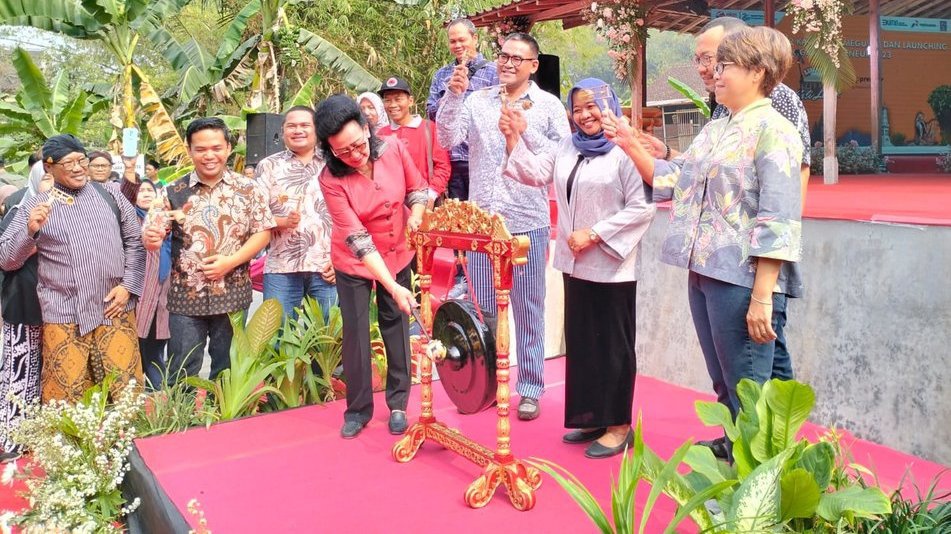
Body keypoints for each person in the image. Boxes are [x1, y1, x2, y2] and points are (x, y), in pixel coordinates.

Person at [605, 27, 803, 458]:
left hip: (743, 280)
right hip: (705, 270)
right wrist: (627, 143)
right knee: (726, 383)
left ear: (757, 71)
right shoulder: (718, 128)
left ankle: (753, 495)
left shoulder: (776, 130)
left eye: (725, 65)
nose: (714, 74)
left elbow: (779, 219)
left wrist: (763, 297)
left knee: (750, 389)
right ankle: (739, 465)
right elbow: (674, 181)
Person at [502, 78, 655, 458]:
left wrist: (596, 234)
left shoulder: (626, 149)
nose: (585, 115)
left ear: (609, 105)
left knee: (614, 347)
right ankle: (593, 416)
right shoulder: (568, 145)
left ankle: (619, 426)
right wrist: (513, 138)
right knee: (585, 344)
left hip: (611, 265)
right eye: (578, 108)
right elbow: (536, 173)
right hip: (574, 263)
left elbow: (643, 207)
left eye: (593, 106)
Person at [436, 32, 571, 421]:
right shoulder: (477, 100)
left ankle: (529, 388)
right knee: (484, 311)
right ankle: (491, 386)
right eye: (503, 56)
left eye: (517, 57)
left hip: (525, 225)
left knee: (527, 309)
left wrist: (522, 132)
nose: (507, 63)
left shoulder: (547, 106)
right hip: (482, 227)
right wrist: (453, 96)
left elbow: (561, 157)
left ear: (533, 65)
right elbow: (447, 137)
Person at [0, 134, 146, 402]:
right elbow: (7, 259)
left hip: (113, 307)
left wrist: (127, 287)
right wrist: (30, 231)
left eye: (82, 160)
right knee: (65, 396)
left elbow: (135, 242)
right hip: (63, 312)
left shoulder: (110, 194)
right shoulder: (35, 205)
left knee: (124, 391)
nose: (79, 168)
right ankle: (68, 444)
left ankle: (126, 442)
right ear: (49, 167)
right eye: (69, 164)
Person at [314, 95, 425, 440]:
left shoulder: (394, 148)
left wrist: (417, 218)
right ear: (330, 151)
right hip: (355, 261)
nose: (354, 155)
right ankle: (358, 409)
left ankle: (398, 404)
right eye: (342, 152)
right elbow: (358, 240)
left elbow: (417, 190)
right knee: (357, 333)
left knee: (396, 325)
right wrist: (392, 285)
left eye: (357, 144)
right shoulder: (331, 180)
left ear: (366, 129)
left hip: (398, 250)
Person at [142, 118, 274, 383]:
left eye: (216, 147)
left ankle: (226, 422)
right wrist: (152, 238)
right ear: (190, 150)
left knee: (227, 367)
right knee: (182, 367)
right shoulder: (172, 191)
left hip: (233, 293)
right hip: (185, 298)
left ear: (227, 148)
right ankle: (183, 422)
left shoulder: (249, 189)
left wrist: (230, 262)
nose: (209, 155)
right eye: (201, 149)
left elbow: (263, 232)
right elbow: (152, 234)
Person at [255, 106, 336, 320]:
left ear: (317, 129)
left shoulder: (334, 164)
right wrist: (280, 221)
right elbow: (255, 216)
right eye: (291, 126)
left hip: (326, 266)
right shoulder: (268, 166)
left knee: (328, 341)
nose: (297, 130)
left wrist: (341, 261)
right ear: (282, 132)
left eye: (304, 125)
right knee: (277, 339)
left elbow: (351, 217)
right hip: (281, 266)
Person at [0, 163, 52, 460]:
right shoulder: (19, 211)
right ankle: (12, 440)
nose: (50, 183)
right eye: (45, 177)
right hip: (24, 306)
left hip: (57, 307)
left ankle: (41, 437)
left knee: (47, 375)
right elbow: (7, 258)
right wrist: (33, 234)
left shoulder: (71, 210)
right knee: (20, 374)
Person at [427, 18, 499, 201]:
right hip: (453, 159)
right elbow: (431, 114)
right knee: (459, 218)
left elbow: (501, 112)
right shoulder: (442, 75)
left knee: (485, 217)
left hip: (484, 159)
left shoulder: (494, 72)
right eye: (452, 41)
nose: (457, 45)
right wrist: (451, 95)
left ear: (474, 39)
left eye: (462, 40)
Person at [378, 76, 451, 198]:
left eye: (398, 99)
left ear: (410, 101)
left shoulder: (429, 128)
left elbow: (443, 166)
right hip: (393, 204)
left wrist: (432, 194)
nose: (393, 105)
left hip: (425, 199)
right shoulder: (381, 134)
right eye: (387, 100)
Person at [134, 179, 171, 389]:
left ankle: (157, 388)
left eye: (150, 190)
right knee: (140, 342)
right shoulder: (130, 220)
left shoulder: (167, 219)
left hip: (165, 292)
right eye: (141, 191)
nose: (146, 194)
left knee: (158, 342)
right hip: (140, 292)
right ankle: (149, 387)